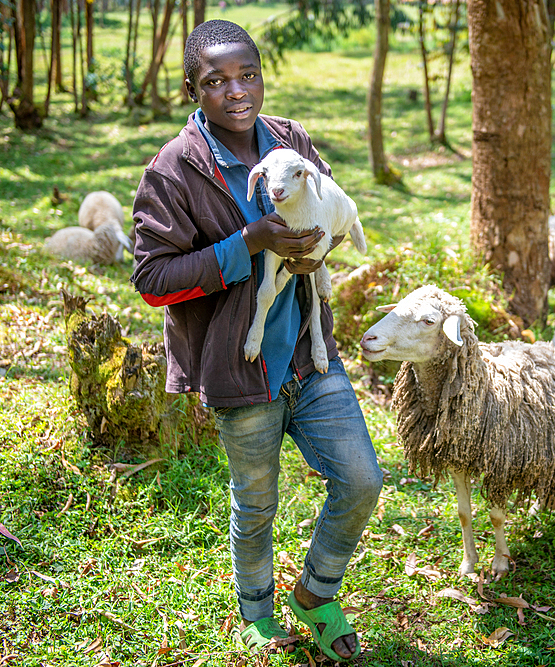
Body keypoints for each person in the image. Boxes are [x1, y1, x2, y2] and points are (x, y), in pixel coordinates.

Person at [130, 19, 382, 661]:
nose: (235, 91)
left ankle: (315, 592)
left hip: (309, 349)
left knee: (361, 479)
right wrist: (251, 242)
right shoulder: (173, 171)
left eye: (247, 75)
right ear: (193, 87)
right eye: (216, 81)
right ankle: (257, 613)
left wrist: (312, 251)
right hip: (237, 370)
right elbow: (154, 280)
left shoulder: (290, 140)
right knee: (257, 503)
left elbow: (324, 203)